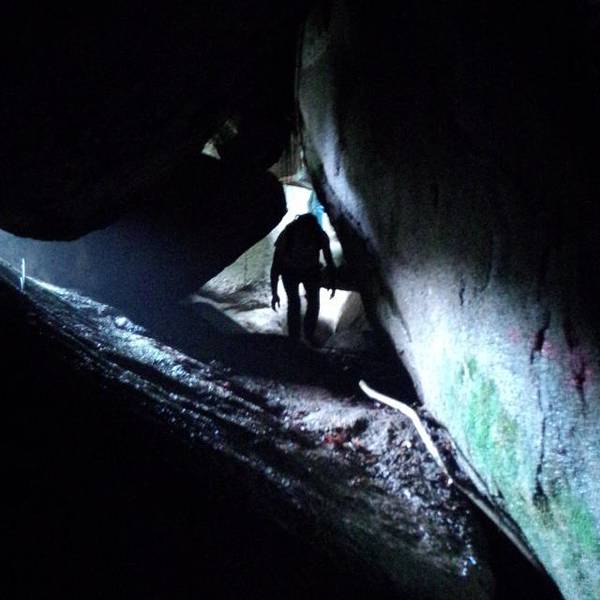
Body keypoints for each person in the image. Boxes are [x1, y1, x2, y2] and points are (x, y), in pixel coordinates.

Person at [270, 213, 336, 344]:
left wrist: (333, 281)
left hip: (309, 270)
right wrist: (274, 293)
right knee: (294, 303)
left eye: (308, 235)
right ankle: (294, 339)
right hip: (290, 271)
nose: (305, 238)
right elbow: (276, 265)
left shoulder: (319, 235)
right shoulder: (288, 234)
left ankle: (307, 335)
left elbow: (329, 259)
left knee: (313, 302)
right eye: (302, 234)